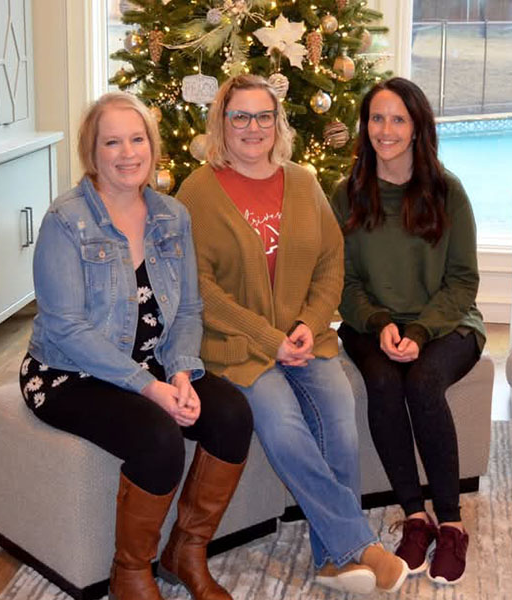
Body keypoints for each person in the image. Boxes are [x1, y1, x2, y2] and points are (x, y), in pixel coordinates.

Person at [175, 74, 408, 595]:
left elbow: (331, 261)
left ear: (277, 123)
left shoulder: (302, 182)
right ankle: (357, 545)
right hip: (239, 348)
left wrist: (307, 323)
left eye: (264, 116)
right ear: (222, 123)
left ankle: (333, 560)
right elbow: (201, 287)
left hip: (306, 339)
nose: (252, 128)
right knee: (282, 425)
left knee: (342, 420)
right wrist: (268, 337)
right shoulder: (198, 191)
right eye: (240, 117)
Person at [19, 92, 253, 600]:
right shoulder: (67, 220)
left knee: (232, 412)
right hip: (66, 373)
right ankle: (130, 575)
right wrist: (150, 388)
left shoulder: (173, 216)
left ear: (153, 144)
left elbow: (189, 310)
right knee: (157, 435)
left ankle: (185, 554)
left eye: (137, 138)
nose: (127, 153)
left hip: (152, 362)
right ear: (92, 151)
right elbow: (65, 328)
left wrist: (183, 374)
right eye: (112, 142)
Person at [331, 77, 486, 586]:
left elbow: (463, 282)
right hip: (369, 323)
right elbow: (343, 283)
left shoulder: (447, 190)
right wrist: (379, 325)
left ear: (418, 127)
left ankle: (452, 523)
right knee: (382, 382)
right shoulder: (346, 193)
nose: (386, 129)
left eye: (399, 118)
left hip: (445, 322)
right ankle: (414, 517)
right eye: (377, 118)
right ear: (365, 126)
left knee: (422, 382)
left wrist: (419, 331)